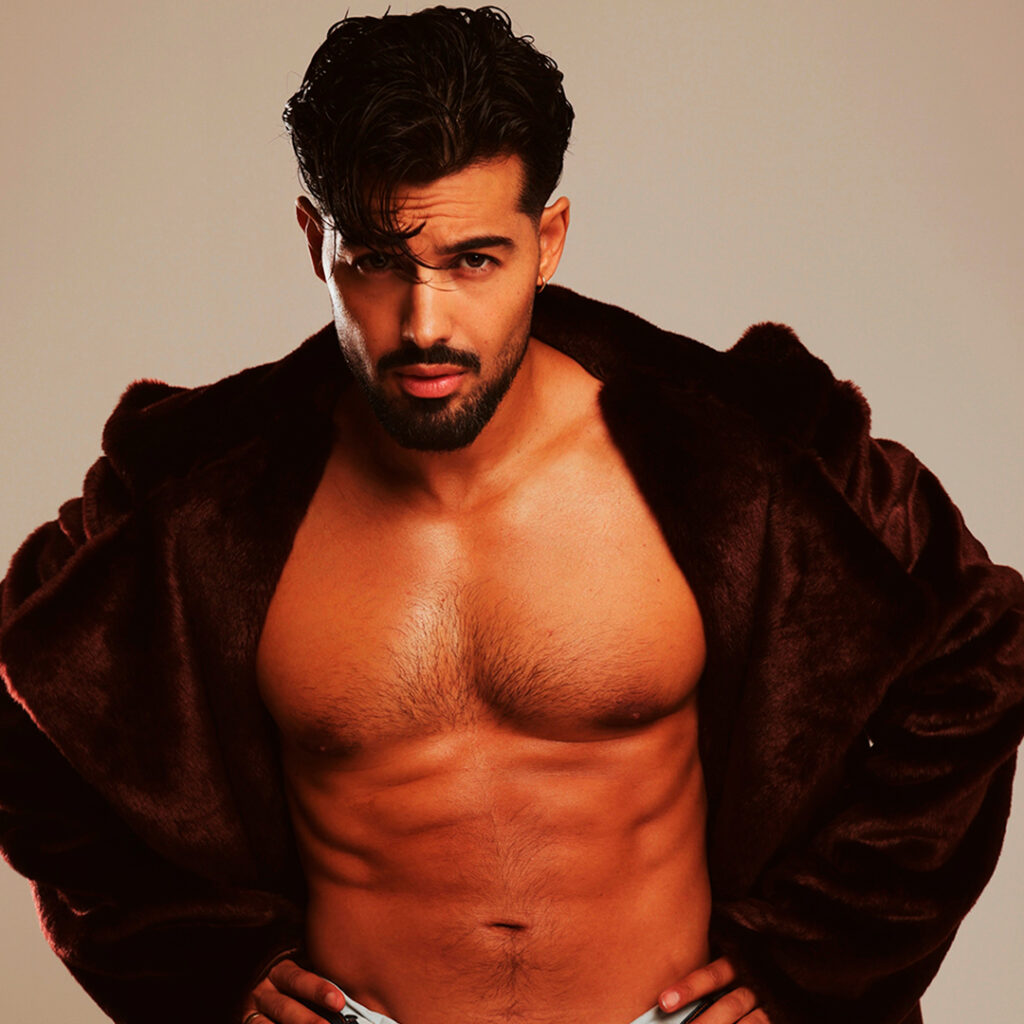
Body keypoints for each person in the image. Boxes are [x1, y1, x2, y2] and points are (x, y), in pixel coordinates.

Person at [1, 7, 1022, 1024]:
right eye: (378, 262)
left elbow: (981, 645)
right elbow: (22, 716)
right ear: (316, 242)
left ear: (549, 241)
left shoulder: (742, 456)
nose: (425, 324)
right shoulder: (196, 499)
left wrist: (812, 956)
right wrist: (201, 962)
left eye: (474, 261)